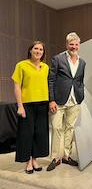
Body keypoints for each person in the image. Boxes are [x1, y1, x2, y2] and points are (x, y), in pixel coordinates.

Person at [47, 32, 86, 171]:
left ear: (79, 45)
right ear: (66, 45)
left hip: (74, 100)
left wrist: (81, 95)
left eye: (76, 44)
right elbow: (50, 80)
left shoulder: (82, 62)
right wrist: (51, 100)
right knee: (57, 127)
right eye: (71, 44)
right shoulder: (58, 59)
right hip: (58, 101)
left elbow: (80, 80)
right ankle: (55, 158)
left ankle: (66, 155)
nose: (74, 46)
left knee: (70, 128)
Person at [12, 41, 49, 174]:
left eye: (41, 49)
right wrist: (20, 106)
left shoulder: (46, 67)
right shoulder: (21, 65)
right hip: (27, 104)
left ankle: (35, 160)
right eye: (36, 48)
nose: (38, 51)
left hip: (43, 104)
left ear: (43, 52)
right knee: (26, 134)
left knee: (39, 134)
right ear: (30, 50)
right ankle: (27, 161)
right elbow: (17, 86)